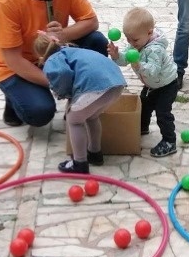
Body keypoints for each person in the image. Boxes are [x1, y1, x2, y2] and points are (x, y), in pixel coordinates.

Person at [0, 0, 109, 128]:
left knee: (97, 41)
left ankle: (82, 103)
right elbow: (13, 60)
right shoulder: (6, 1)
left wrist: (64, 35)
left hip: (52, 52)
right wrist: (59, 83)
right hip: (17, 66)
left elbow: (91, 21)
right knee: (40, 113)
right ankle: (13, 100)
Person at [34, 33, 125, 174]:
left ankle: (79, 163)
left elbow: (62, 73)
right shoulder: (71, 50)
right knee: (92, 117)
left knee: (74, 120)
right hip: (116, 83)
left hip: (95, 87)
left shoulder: (53, 60)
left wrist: (63, 92)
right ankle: (95, 153)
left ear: (40, 56)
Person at [108, 7, 179, 157]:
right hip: (151, 85)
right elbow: (126, 59)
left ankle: (169, 141)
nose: (131, 43)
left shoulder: (155, 50)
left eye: (134, 40)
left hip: (167, 85)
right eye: (128, 39)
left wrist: (138, 65)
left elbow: (152, 70)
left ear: (149, 33)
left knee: (163, 113)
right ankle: (142, 127)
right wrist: (116, 55)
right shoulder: (136, 43)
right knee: (144, 105)